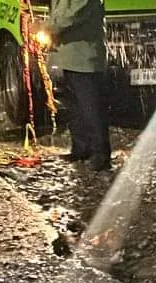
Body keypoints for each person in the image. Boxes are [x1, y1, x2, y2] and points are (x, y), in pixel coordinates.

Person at [44, 0, 111, 171]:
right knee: (74, 106)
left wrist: (47, 27)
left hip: (84, 57)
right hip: (68, 56)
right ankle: (81, 148)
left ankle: (100, 155)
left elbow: (71, 15)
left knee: (91, 108)